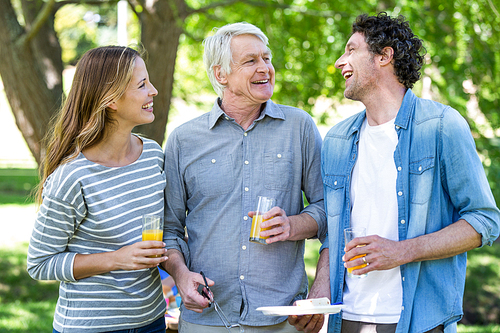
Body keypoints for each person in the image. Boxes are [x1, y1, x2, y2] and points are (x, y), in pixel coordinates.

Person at [289, 12, 500, 333]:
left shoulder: (441, 126)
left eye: (351, 49)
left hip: (420, 320)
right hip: (348, 318)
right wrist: (320, 292)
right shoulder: (337, 139)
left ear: (384, 56)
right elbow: (334, 230)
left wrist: (401, 251)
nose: (338, 61)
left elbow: (484, 221)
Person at [162, 22, 326, 332]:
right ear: (221, 75)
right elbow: (169, 229)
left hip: (282, 318)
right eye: (251, 61)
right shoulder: (184, 140)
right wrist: (181, 275)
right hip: (206, 319)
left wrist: (292, 225)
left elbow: (327, 207)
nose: (265, 67)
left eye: (267, 58)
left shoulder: (299, 127)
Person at [27, 46, 169, 333]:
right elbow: (40, 263)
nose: (153, 91)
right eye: (142, 85)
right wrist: (117, 259)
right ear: (111, 100)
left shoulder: (153, 155)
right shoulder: (73, 176)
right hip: (91, 327)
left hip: (153, 321)